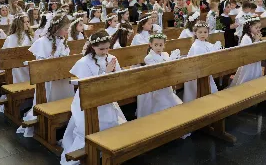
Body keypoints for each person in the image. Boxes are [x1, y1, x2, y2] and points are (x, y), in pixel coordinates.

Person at [60, 31, 126, 164]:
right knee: (90, 126)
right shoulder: (84, 62)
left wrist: (115, 73)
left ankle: (108, 147)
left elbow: (119, 76)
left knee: (112, 121)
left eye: (107, 48)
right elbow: (88, 86)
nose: (105, 51)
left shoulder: (111, 58)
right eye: (101, 49)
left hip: (107, 97)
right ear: (92, 47)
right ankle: (91, 149)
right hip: (89, 100)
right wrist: (105, 72)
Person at [18, 14, 72, 138]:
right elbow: (40, 66)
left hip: (63, 79)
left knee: (65, 99)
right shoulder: (42, 42)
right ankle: (45, 124)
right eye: (65, 29)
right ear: (56, 28)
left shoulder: (63, 40)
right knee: (50, 99)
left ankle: (63, 125)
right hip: (48, 82)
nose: (67, 31)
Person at [137, 33, 183, 118]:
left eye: (161, 45)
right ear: (151, 45)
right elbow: (158, 71)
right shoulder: (148, 58)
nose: (158, 47)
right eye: (156, 45)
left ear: (164, 45)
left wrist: (173, 60)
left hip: (166, 83)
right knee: (161, 103)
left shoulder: (165, 54)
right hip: (156, 85)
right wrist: (169, 62)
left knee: (171, 100)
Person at [0, 13, 34, 113]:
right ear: (18, 24)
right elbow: (5, 56)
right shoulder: (11, 38)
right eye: (25, 22)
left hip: (28, 68)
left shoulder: (30, 36)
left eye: (28, 22)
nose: (27, 24)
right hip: (16, 69)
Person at [183, 21, 221, 103]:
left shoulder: (206, 44)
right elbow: (198, 61)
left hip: (206, 71)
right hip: (196, 74)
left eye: (205, 32)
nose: (203, 34)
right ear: (195, 33)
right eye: (200, 32)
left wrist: (216, 48)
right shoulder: (196, 46)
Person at [230, 16, 262, 86]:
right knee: (247, 78)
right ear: (250, 27)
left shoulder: (253, 35)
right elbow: (249, 52)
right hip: (249, 63)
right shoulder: (246, 38)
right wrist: (256, 40)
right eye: (256, 28)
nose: (258, 29)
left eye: (259, 27)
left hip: (255, 60)